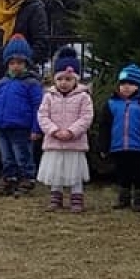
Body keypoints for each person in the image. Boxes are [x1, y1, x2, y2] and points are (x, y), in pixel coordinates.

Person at [36, 47, 95, 212]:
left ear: (75, 79)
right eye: (60, 79)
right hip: (54, 141)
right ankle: (56, 196)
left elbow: (86, 117)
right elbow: (42, 116)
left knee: (74, 170)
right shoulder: (48, 96)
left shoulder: (83, 97)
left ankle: (77, 197)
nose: (64, 82)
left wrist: (71, 132)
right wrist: (54, 131)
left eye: (68, 79)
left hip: (74, 143)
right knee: (56, 170)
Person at [0, 34, 43, 195]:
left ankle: (27, 179)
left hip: (21, 128)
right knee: (6, 157)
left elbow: (38, 107)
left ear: (26, 63)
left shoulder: (31, 83)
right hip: (2, 127)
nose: (15, 66)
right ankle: (9, 178)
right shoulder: (2, 82)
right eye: (12, 63)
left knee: (22, 155)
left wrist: (35, 129)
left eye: (19, 62)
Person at [100, 63, 140, 212]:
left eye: (131, 83)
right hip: (118, 146)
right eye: (123, 83)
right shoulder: (111, 103)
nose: (126, 87)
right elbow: (104, 126)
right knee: (122, 173)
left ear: (139, 85)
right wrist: (103, 145)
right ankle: (123, 198)